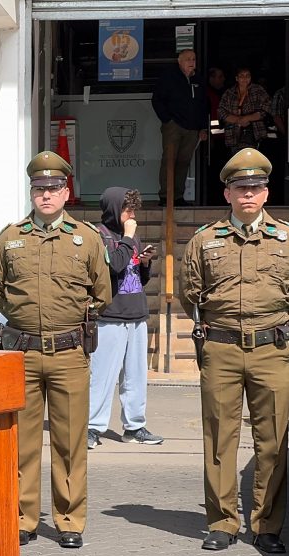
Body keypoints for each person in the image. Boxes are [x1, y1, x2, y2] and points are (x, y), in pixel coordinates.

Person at [0, 151, 111, 549]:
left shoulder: (87, 238)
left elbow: (101, 293)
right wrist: (20, 319)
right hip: (21, 352)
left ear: (66, 192)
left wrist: (71, 320)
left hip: (69, 354)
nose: (45, 195)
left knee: (70, 441)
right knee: (21, 442)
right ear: (31, 193)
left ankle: (70, 519)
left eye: (53, 188)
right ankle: (23, 518)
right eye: (39, 189)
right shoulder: (10, 237)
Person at [179, 148, 289, 553]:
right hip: (221, 349)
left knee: (274, 441)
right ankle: (223, 521)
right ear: (227, 194)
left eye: (255, 188)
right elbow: (190, 291)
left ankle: (266, 525)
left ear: (266, 193)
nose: (248, 195)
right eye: (240, 188)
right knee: (220, 438)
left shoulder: (286, 239)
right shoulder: (205, 240)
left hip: (273, 349)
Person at [87, 187, 163, 450]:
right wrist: (129, 239)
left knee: (135, 376)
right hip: (110, 316)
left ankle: (134, 426)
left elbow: (137, 279)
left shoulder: (131, 237)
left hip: (136, 314)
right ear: (113, 209)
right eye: (126, 210)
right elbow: (114, 267)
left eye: (133, 210)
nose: (131, 215)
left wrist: (144, 263)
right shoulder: (98, 236)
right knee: (102, 375)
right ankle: (93, 427)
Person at [152, 49, 209, 207]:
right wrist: (167, 120)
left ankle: (177, 196)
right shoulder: (169, 77)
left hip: (192, 128)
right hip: (174, 126)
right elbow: (157, 100)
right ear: (180, 61)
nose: (192, 62)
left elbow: (204, 105)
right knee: (169, 160)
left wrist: (203, 127)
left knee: (184, 162)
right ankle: (165, 196)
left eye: (194, 59)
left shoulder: (199, 79)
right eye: (188, 59)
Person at [218, 67, 271, 154]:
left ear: (250, 78)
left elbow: (267, 108)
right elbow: (221, 111)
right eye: (241, 76)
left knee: (252, 160)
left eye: (247, 76)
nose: (245, 78)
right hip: (233, 133)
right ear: (236, 78)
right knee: (236, 162)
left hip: (254, 133)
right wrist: (238, 120)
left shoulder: (258, 90)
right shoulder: (229, 93)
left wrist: (248, 118)